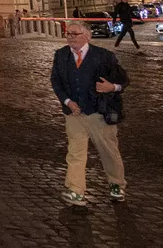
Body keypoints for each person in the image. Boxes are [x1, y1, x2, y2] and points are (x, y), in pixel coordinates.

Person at [49, 20, 130, 207]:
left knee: (108, 151)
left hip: (98, 113)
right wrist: (68, 102)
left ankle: (116, 185)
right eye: (68, 33)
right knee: (75, 153)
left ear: (87, 36)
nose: (70, 37)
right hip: (74, 114)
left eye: (74, 34)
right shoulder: (61, 55)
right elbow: (56, 81)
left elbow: (124, 80)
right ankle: (76, 191)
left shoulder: (104, 56)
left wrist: (113, 87)